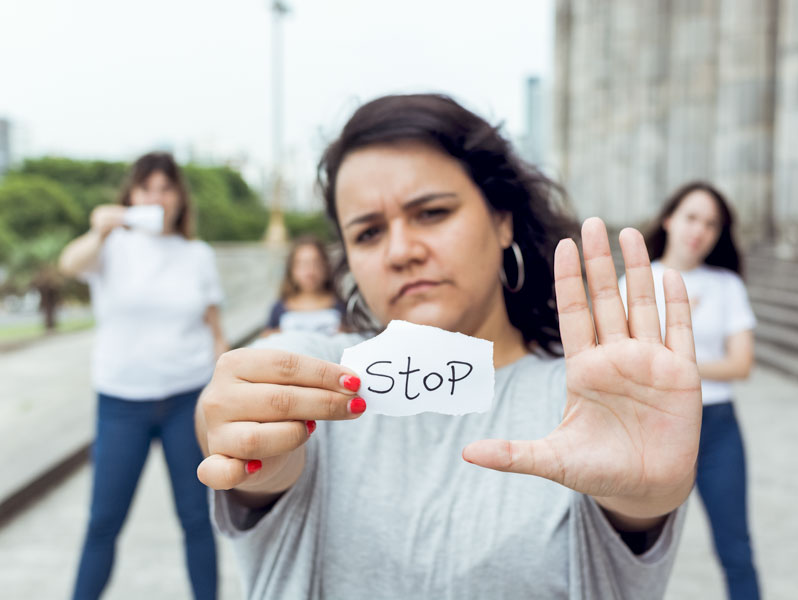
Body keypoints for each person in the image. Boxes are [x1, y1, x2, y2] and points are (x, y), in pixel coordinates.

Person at [195, 95, 703, 599]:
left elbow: (631, 511)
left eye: (432, 213)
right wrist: (247, 439)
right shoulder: (325, 378)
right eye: (369, 232)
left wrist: (646, 500)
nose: (401, 251)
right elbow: (244, 420)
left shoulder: (591, 396)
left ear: (502, 219)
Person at [59, 152, 224, 600]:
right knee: (103, 521)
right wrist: (100, 228)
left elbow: (216, 332)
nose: (157, 197)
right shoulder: (111, 248)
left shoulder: (197, 254)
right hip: (121, 402)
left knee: (196, 519)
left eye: (166, 188)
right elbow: (70, 264)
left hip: (186, 399)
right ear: (132, 195)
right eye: (147, 188)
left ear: (179, 197)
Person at [624, 181, 760, 599]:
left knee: (735, 546)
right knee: (633, 548)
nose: (699, 230)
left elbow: (741, 363)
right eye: (691, 217)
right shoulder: (637, 281)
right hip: (653, 425)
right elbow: (627, 361)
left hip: (717, 426)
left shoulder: (726, 285)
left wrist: (673, 360)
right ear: (669, 219)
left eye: (711, 223)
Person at [261, 236, 342, 337]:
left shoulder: (342, 305)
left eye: (316, 263)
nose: (309, 272)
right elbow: (266, 339)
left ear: (326, 267)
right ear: (291, 270)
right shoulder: (278, 308)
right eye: (302, 264)